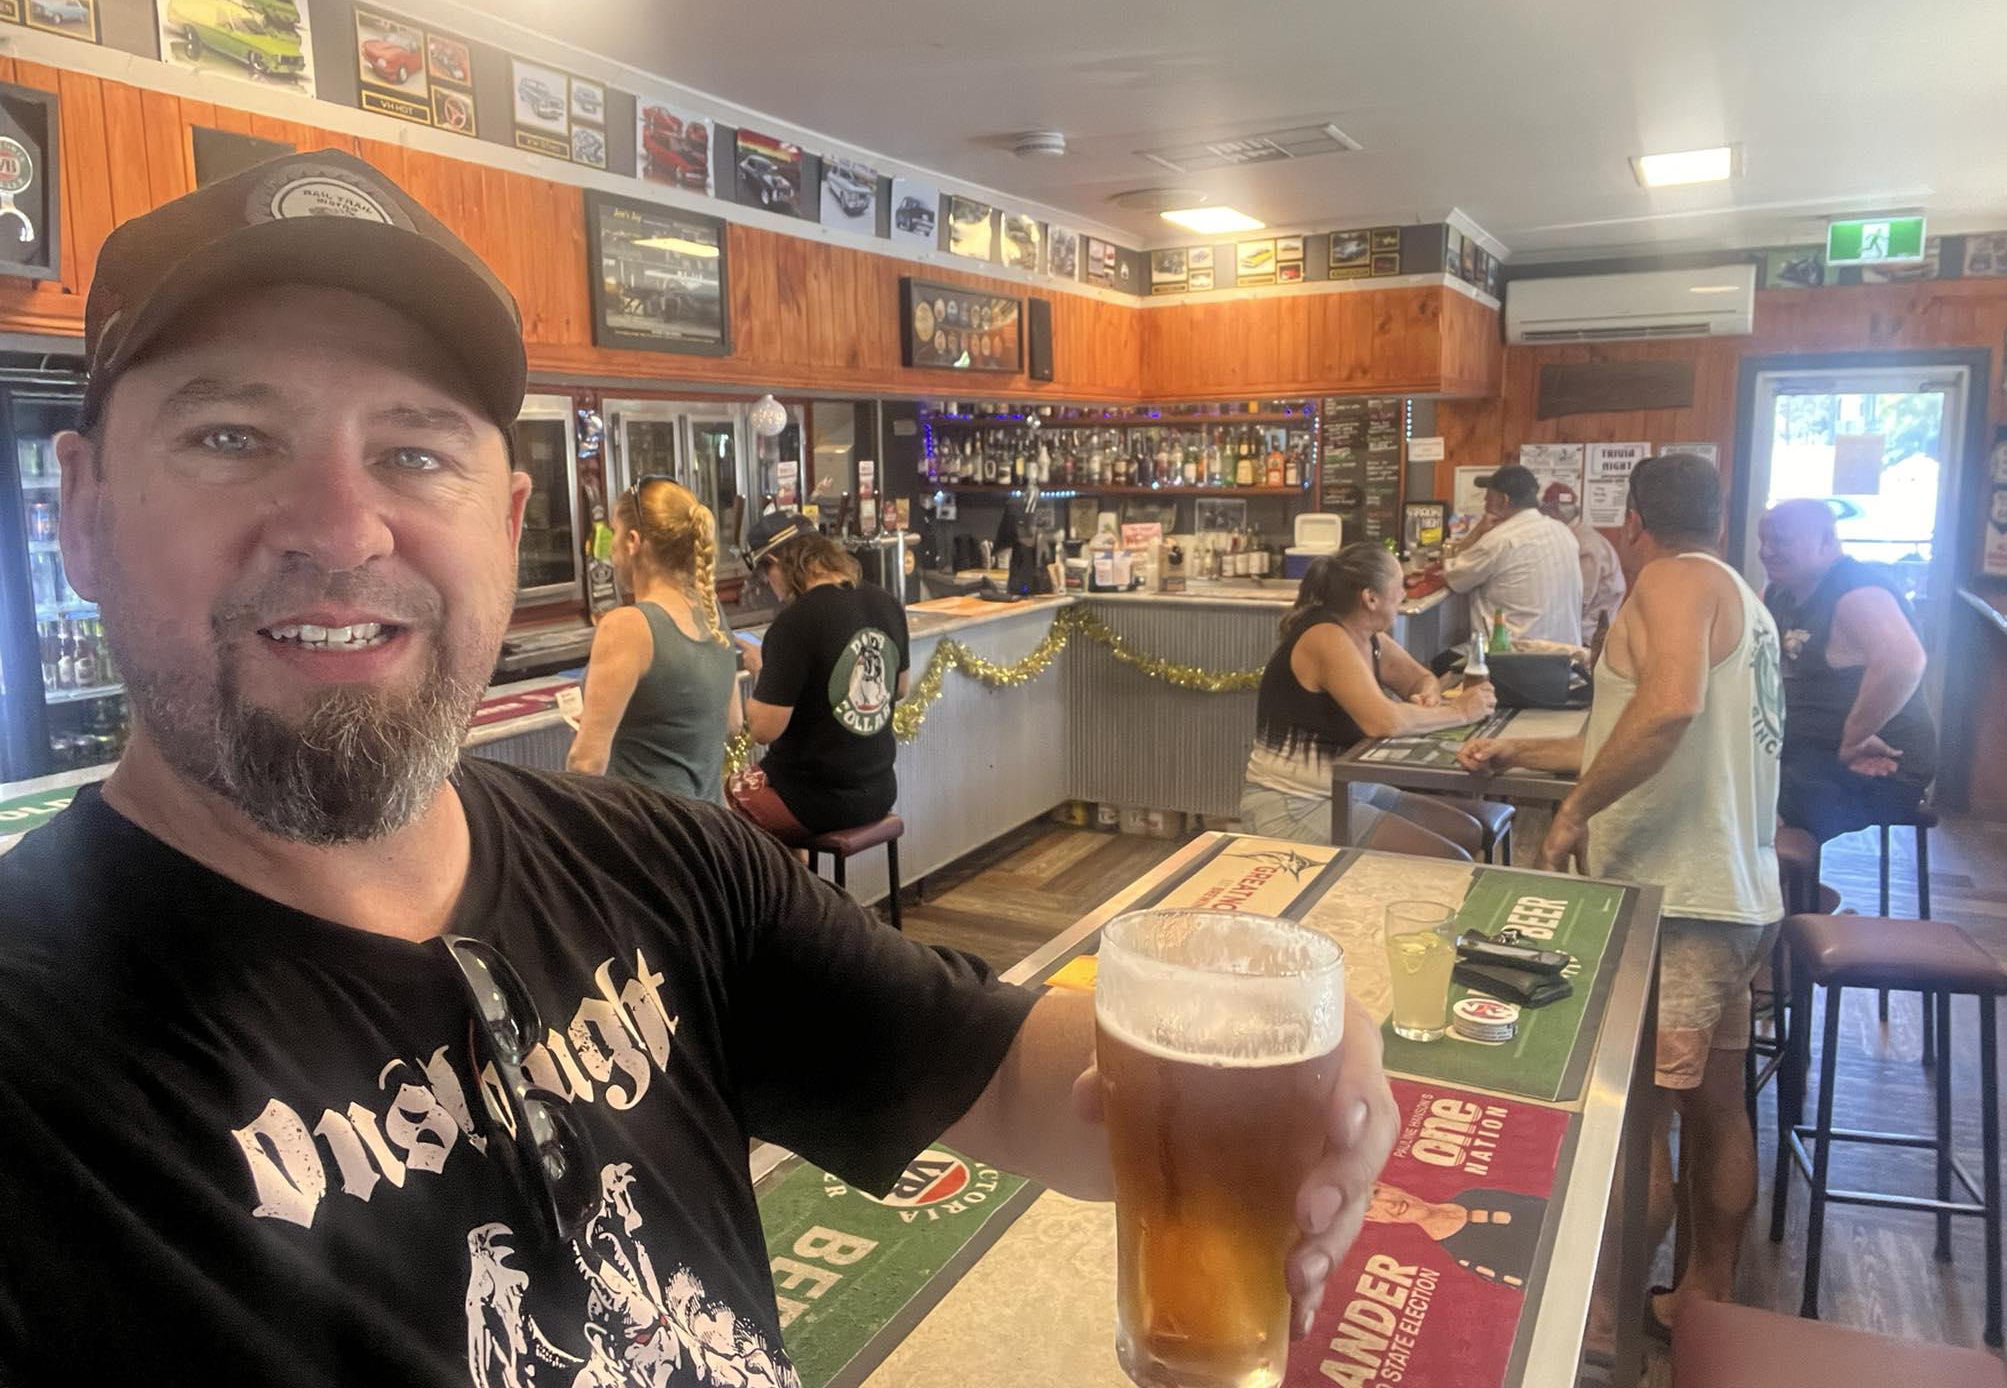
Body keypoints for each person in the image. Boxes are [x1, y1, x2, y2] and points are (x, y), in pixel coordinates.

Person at [0, 151, 1400, 1382]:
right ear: (77, 510)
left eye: (415, 450)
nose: (343, 528)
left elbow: (1023, 1086)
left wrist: (1260, 1085)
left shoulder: (658, 867)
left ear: (511, 515)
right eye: (230, 438)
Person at [1454, 453, 1782, 1336]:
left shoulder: (1669, 583)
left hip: (1675, 900)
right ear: (1720, 516)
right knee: (1716, 1105)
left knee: (1638, 1119)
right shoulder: (1741, 600)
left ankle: (1603, 1324)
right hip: (1736, 897)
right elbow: (1639, 732)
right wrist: (1522, 755)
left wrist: (1572, 813)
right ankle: (1699, 1298)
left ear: (1633, 520)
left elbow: (1667, 707)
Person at [1242, 544, 1495, 841]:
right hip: (1293, 803)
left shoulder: (1368, 637)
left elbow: (1421, 678)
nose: (1404, 593)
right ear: (1370, 598)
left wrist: (1429, 694)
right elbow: (1383, 721)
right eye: (1399, 586)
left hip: (1350, 789)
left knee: (1467, 834)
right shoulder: (1325, 637)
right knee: (1448, 859)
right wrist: (1461, 711)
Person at [1758, 498, 1936, 843]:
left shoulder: (1857, 591)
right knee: (1722, 777)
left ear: (1826, 540)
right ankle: (1785, 892)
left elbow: (1903, 662)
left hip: (1877, 767)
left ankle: (1786, 894)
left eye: (1780, 540)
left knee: (1741, 799)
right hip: (1812, 756)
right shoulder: (1778, 593)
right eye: (1763, 540)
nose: (1767, 551)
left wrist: (1854, 738)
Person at [730, 517, 911, 841]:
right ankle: (801, 886)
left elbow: (763, 729)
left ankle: (788, 888)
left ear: (776, 563)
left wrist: (763, 670)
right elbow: (899, 688)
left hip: (816, 801)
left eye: (767, 575)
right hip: (880, 789)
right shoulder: (886, 603)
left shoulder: (795, 622)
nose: (772, 588)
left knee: (732, 794)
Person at [565, 476, 739, 800]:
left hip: (650, 838)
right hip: (712, 833)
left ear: (633, 541)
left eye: (614, 533)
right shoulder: (711, 612)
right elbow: (732, 722)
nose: (612, 550)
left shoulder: (628, 626)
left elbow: (586, 764)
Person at [1441, 463, 1584, 646]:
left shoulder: (1499, 540)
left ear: (1503, 500)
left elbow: (1453, 577)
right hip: (1567, 660)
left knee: (1441, 663)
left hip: (1514, 661)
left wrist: (1476, 533)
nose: (1485, 506)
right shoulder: (1564, 532)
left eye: (1487, 500)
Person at [1363, 1182, 1546, 1292]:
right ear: (1376, 1219)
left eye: (1377, 1192)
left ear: (1390, 1186)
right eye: (1370, 1208)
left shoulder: (1472, 1195)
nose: (1390, 1203)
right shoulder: (1466, 1255)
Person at [1540, 480, 1626, 646]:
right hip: (1584, 632)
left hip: (1590, 637)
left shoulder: (1585, 545)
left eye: (1546, 512)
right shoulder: (1577, 537)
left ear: (1555, 511)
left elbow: (1579, 600)